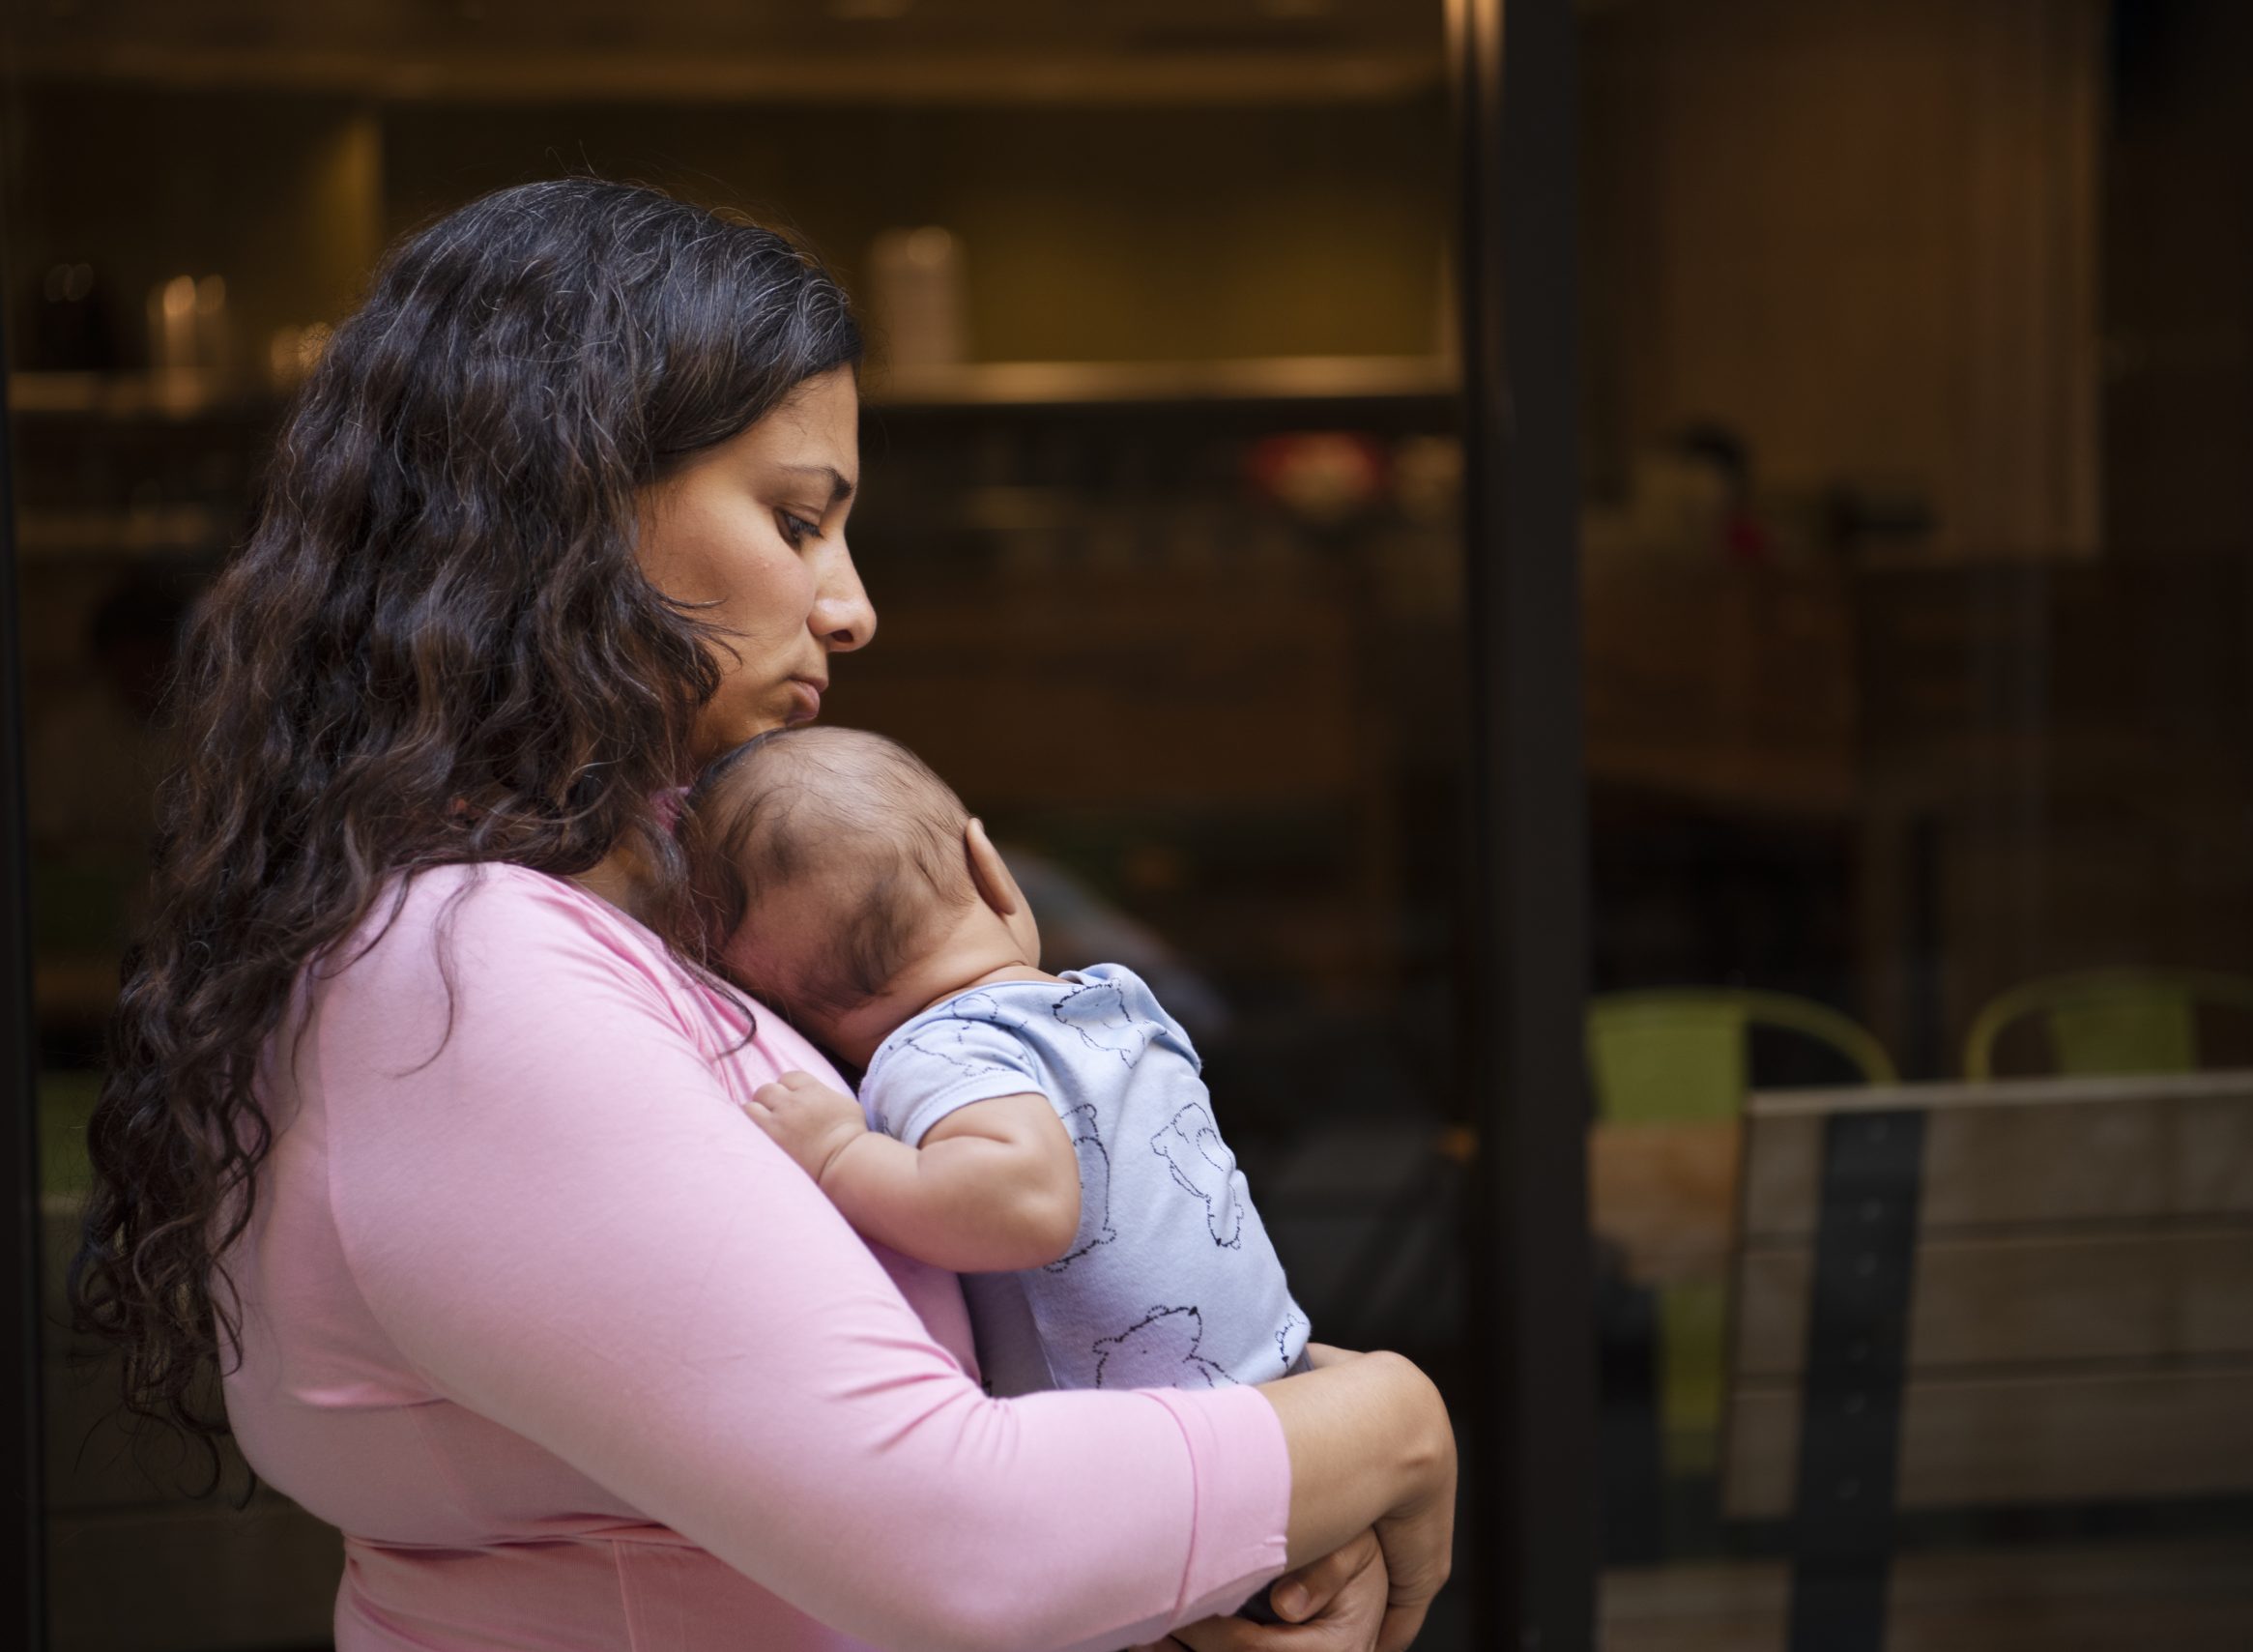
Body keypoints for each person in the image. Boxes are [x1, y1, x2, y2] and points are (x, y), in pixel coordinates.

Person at [68, 177, 1455, 1652]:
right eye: (798, 520)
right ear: (569, 503)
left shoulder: (628, 916)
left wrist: (1242, 1520)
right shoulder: (470, 972)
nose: (849, 608)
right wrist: (1388, 1421)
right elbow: (959, 1539)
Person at [674, 725, 1310, 1401]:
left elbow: (1025, 1200)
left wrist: (836, 1153)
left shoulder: (939, 1050)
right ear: (990, 866)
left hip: (1168, 1441)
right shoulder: (1114, 1000)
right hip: (1278, 1376)